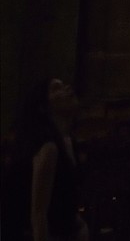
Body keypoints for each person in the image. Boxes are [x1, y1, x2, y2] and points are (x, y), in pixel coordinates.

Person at [5, 78, 88, 241]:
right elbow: (39, 215)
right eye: (56, 88)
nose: (68, 88)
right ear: (43, 107)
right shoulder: (48, 147)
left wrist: (79, 225)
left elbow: (64, 199)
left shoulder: (68, 140)